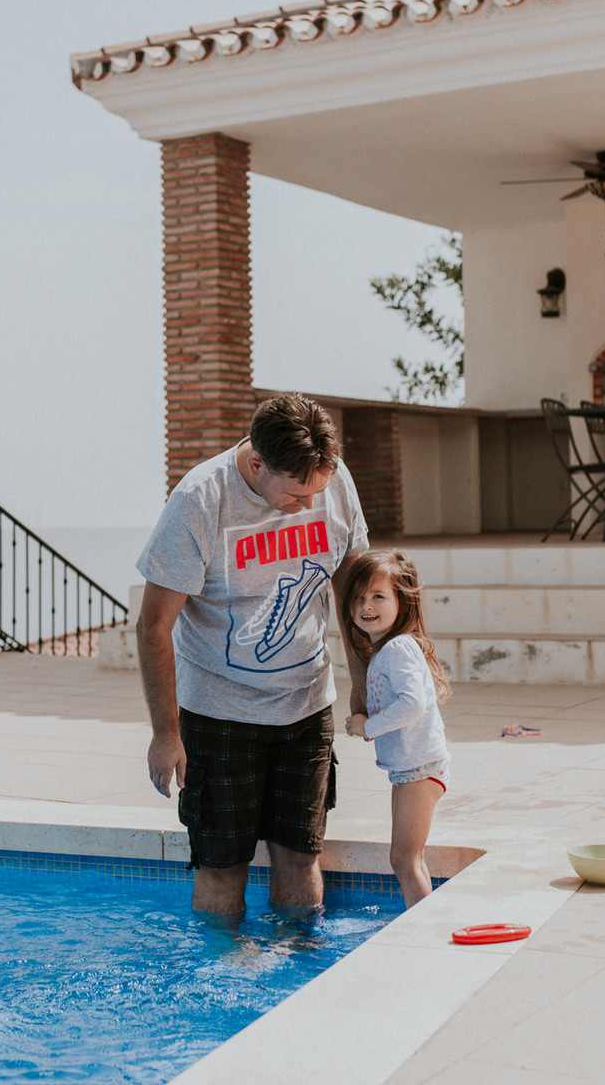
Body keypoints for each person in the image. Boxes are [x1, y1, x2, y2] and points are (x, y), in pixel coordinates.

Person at [136, 393, 369, 916]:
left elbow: (352, 591)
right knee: (222, 864)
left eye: (318, 491)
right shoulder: (201, 499)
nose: (309, 505)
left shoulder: (332, 481)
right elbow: (153, 626)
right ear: (257, 464)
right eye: (294, 494)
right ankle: (221, 982)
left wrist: (364, 686)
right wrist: (165, 732)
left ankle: (300, 976)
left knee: (301, 858)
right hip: (220, 715)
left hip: (307, 707)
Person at [340, 549, 451, 907]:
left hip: (420, 768)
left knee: (404, 859)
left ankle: (421, 931)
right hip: (410, 769)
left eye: (377, 596)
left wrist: (369, 726)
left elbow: (413, 703)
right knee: (405, 858)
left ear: (402, 602)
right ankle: (417, 923)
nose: (365, 605)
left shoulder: (399, 647)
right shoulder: (385, 649)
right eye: (358, 597)